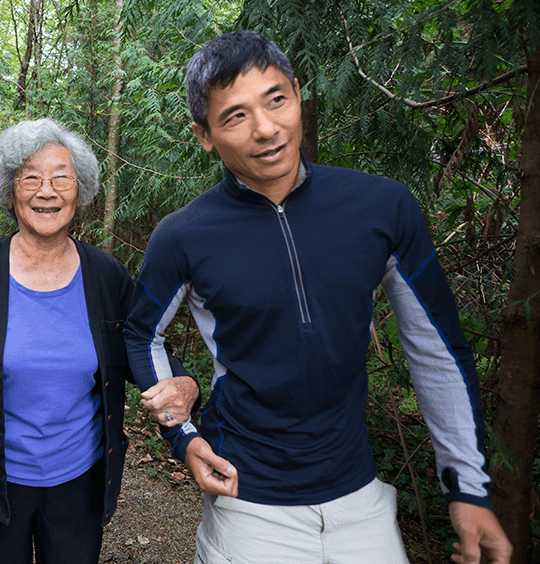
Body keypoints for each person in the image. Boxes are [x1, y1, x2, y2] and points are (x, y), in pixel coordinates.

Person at [123, 30, 513, 564]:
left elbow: (437, 352)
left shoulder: (382, 208)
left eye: (276, 99)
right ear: (205, 134)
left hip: (362, 500)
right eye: (235, 116)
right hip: (245, 501)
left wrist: (467, 488)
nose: (266, 129)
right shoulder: (183, 234)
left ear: (299, 94)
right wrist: (184, 436)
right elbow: (142, 331)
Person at [0, 119, 199, 564]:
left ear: (81, 189)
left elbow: (140, 345)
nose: (47, 191)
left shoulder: (105, 274)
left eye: (61, 177)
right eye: (31, 177)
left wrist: (186, 383)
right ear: (8, 189)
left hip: (79, 482)